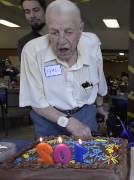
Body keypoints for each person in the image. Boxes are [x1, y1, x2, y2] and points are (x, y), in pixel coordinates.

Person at [19, 0, 108, 138]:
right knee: (49, 159)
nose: (61, 40)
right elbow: (36, 101)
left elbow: (99, 77)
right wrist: (69, 122)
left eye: (69, 32)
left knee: (89, 157)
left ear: (80, 30)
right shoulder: (32, 51)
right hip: (47, 119)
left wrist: (100, 106)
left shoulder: (92, 43)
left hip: (85, 115)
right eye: (54, 32)